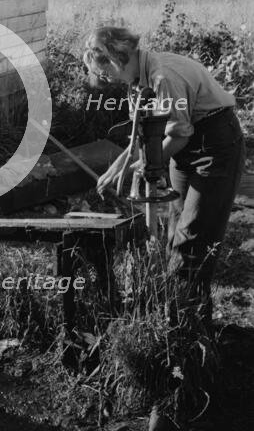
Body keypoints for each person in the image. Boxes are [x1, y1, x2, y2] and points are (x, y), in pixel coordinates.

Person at [83, 26, 245, 316]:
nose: (105, 79)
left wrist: (141, 168)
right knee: (175, 232)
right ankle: (182, 311)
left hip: (215, 144)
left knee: (193, 237)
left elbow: (179, 134)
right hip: (186, 146)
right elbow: (140, 136)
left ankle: (187, 325)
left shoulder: (161, 77)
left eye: (105, 72)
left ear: (117, 57)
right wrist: (116, 169)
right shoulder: (136, 82)